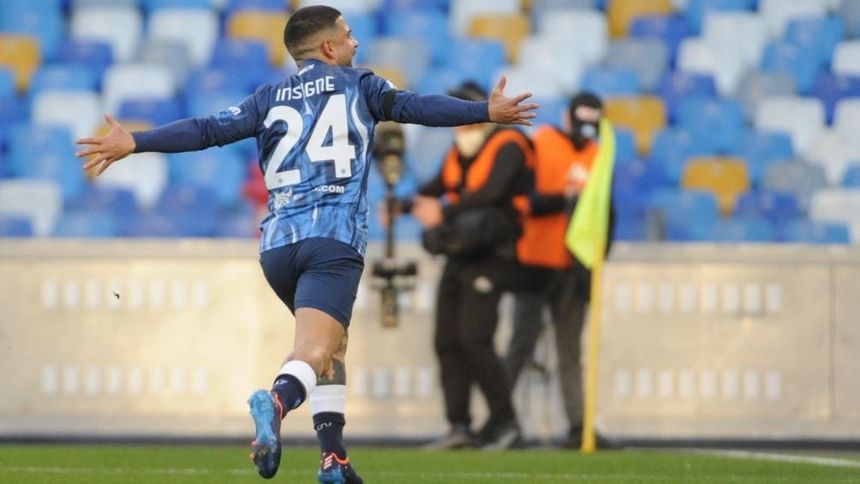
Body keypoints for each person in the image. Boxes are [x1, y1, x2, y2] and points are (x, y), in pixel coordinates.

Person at [74, 5, 537, 483]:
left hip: (277, 247)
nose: (356, 42)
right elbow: (415, 107)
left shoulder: (268, 97)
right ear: (329, 47)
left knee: (333, 345)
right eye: (348, 35)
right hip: (331, 240)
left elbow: (207, 130)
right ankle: (276, 401)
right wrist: (483, 112)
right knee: (315, 349)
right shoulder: (362, 85)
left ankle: (333, 459)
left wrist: (139, 141)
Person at [393, 81, 533, 450]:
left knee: (475, 338)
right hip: (460, 252)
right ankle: (459, 425)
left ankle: (506, 422)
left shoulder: (509, 145)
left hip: (494, 253)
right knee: (447, 340)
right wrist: (403, 206)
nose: (461, 131)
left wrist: (443, 212)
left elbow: (493, 192)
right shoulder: (458, 152)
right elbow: (434, 189)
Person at [504, 91, 612, 448]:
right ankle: (500, 420)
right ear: (567, 117)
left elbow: (604, 212)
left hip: (573, 268)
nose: (584, 134)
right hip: (534, 260)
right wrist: (565, 200)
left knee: (570, 350)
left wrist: (598, 257)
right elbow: (524, 200)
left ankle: (579, 426)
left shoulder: (598, 154)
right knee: (520, 344)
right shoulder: (541, 144)